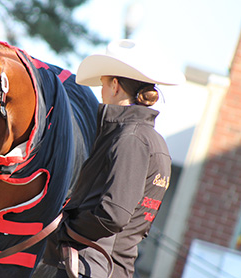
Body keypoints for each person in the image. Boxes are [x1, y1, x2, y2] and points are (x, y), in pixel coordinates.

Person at [42, 39, 185, 278]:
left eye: (103, 83)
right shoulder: (153, 141)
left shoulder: (130, 138)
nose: (101, 91)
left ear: (116, 85)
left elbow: (113, 215)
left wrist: (62, 230)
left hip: (87, 268)